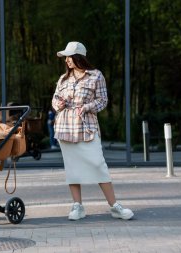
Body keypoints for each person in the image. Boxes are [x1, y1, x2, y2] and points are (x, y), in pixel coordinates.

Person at [51, 41, 134, 221]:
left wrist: (87, 107)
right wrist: (59, 104)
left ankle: (114, 206)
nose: (66, 60)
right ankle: (77, 206)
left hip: (87, 127)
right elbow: (54, 101)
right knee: (72, 169)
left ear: (78, 57)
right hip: (65, 128)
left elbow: (103, 100)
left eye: (69, 57)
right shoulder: (63, 79)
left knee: (98, 164)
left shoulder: (96, 76)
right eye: (65, 57)